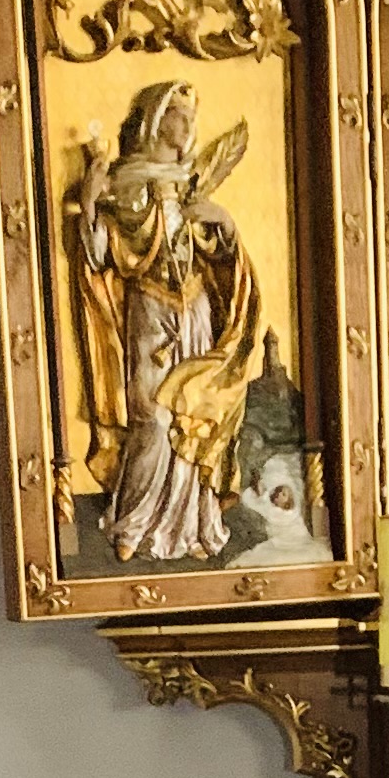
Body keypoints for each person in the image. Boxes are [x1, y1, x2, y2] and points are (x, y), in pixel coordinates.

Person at [67, 81, 262, 564]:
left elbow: (216, 255)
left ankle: (195, 524)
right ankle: (133, 523)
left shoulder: (190, 184)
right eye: (179, 114)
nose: (189, 124)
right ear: (157, 120)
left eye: (192, 116)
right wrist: (90, 203)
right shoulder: (127, 184)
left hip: (195, 311)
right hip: (150, 312)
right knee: (153, 417)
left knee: (194, 412)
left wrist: (222, 223)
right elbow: (100, 255)